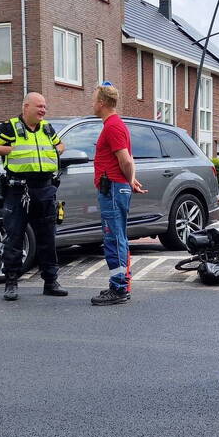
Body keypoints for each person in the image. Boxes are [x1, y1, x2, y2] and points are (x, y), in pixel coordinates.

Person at [0, 92, 68, 301]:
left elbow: (61, 145)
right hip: (18, 190)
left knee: (47, 238)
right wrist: (9, 150)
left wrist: (55, 152)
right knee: (14, 237)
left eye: (45, 107)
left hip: (45, 189)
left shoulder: (46, 127)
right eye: (39, 106)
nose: (43, 110)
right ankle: (11, 282)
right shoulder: (10, 127)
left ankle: (51, 281)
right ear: (26, 107)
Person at [90, 82, 146, 306]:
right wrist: (129, 180)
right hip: (114, 186)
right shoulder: (113, 124)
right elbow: (124, 161)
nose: (92, 103)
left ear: (102, 102)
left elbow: (125, 159)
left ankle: (119, 287)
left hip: (112, 188)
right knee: (115, 235)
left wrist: (128, 179)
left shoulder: (112, 126)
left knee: (113, 237)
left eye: (94, 99)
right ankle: (118, 284)